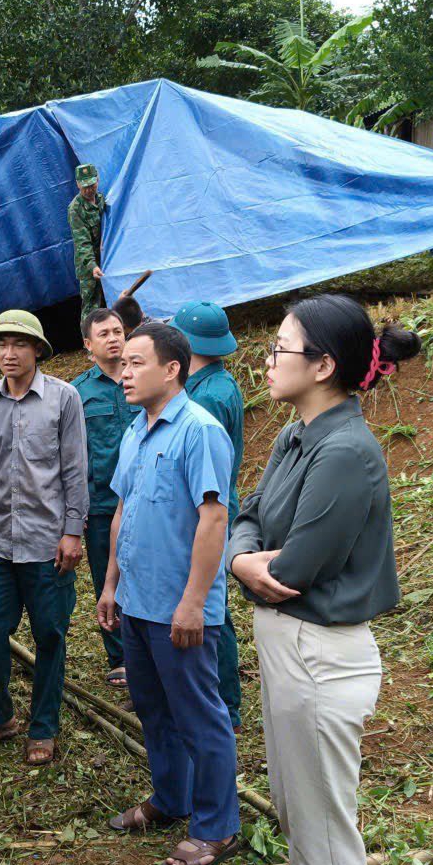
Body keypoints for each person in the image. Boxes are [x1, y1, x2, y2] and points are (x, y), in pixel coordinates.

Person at [227, 294, 420, 865]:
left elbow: (296, 571)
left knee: (326, 840)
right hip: (290, 651)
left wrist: (255, 562)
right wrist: (241, 560)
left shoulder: (344, 453)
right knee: (301, 825)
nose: (268, 360)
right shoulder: (298, 434)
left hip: (318, 659)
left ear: (322, 367)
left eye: (281, 348)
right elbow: (250, 514)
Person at [98, 322, 242, 865]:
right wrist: (111, 585)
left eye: (136, 363)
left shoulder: (198, 431)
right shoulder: (137, 429)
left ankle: (215, 827)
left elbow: (214, 517)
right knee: (154, 710)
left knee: (200, 718)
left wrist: (193, 601)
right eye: (123, 363)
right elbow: (122, 512)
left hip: (180, 609)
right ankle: (171, 798)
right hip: (136, 602)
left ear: (172, 368)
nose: (125, 372)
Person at [0, 310, 89, 766]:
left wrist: (74, 530)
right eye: (0, 345)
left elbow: (75, 469)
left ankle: (43, 727)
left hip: (47, 540)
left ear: (37, 350)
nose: (7, 353)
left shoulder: (63, 398)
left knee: (49, 633)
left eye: (18, 344)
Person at [174, 301, 245, 732]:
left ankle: (225, 705)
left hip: (209, 513)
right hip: (206, 508)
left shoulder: (211, 397)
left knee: (211, 607)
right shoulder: (212, 383)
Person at [72, 308, 140, 688]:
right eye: (104, 334)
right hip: (100, 503)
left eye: (118, 331)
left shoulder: (143, 379)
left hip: (145, 498)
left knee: (145, 571)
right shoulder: (78, 392)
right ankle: (120, 657)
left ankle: (148, 648)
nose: (114, 338)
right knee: (108, 578)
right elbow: (71, 454)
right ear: (88, 344)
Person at [69, 163, 108, 319]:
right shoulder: (75, 209)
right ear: (78, 184)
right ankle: (88, 342)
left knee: (109, 304)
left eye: (91, 185)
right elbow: (82, 243)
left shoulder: (102, 199)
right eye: (84, 186)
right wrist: (92, 266)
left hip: (105, 261)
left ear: (97, 180)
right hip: (89, 268)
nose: (89, 190)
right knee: (92, 308)